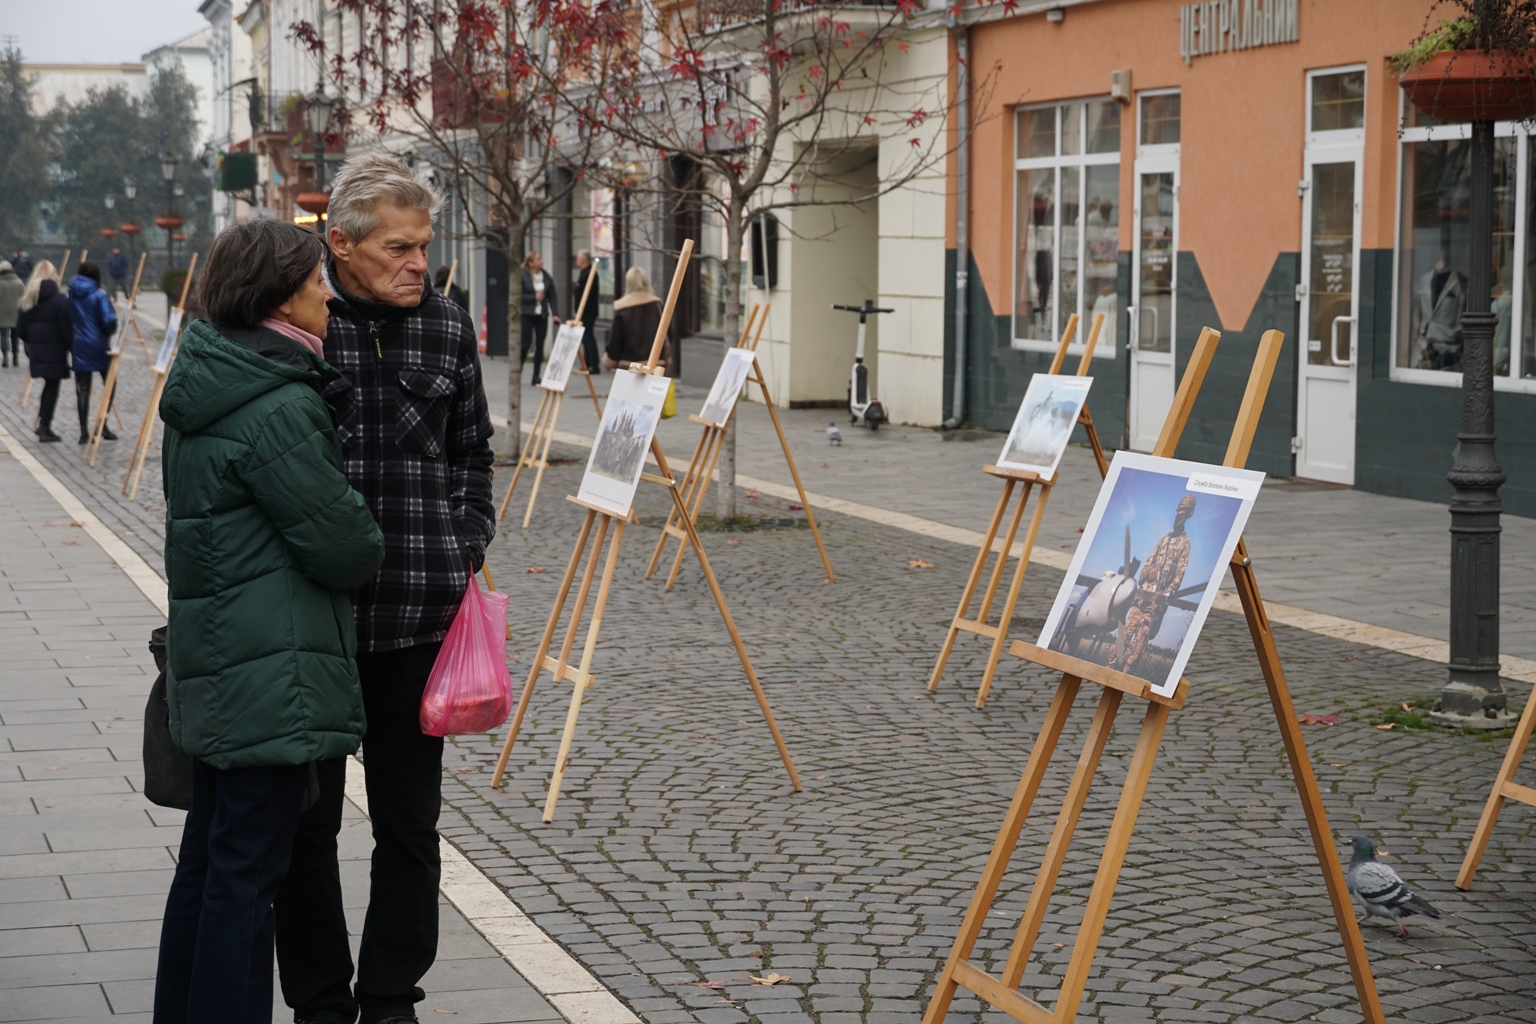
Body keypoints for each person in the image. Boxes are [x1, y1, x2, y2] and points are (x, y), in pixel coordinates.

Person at [274, 152, 496, 1024]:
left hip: (417, 625)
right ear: (340, 245)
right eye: (400, 248)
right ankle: (321, 1002)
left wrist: (464, 538)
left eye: (424, 246)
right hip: (313, 628)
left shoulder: (446, 326)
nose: (419, 263)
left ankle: (393, 997)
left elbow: (475, 452)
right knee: (306, 831)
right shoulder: (295, 324)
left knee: (409, 830)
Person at [152, 219, 385, 1024]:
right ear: (279, 290)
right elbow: (346, 545)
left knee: (210, 868)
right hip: (270, 674)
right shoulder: (280, 403)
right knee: (247, 879)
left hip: (219, 663)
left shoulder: (209, 377)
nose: (330, 291)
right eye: (318, 278)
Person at [1111, 494, 1194, 675]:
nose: (1179, 514)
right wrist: (1147, 573)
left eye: (1183, 511)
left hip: (1156, 606)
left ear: (1188, 514)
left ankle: (1125, 676)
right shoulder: (1163, 540)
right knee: (1121, 641)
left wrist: (1165, 596)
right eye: (1178, 510)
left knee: (1138, 648)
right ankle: (1109, 671)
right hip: (1141, 600)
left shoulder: (1185, 544)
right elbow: (1147, 565)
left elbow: (1180, 573)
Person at [14, 261, 71, 442]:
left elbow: (21, 330)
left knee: (49, 385)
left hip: (37, 349)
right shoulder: (60, 300)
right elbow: (67, 329)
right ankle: (45, 425)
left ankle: (43, 423)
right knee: (52, 386)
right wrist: (72, 349)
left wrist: (33, 341)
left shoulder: (28, 298)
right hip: (55, 350)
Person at [68, 260, 118, 444]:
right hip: (98, 345)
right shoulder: (100, 295)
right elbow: (108, 321)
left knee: (82, 388)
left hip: (79, 343)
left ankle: (83, 432)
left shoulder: (72, 293)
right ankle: (102, 424)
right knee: (110, 384)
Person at [605, 265, 680, 378]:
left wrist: (609, 360)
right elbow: (668, 334)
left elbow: (616, 340)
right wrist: (665, 358)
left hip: (629, 365)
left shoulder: (621, 307)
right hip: (655, 364)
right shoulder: (657, 304)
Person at [519, 251, 559, 385]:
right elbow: (517, 295)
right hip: (527, 314)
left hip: (541, 314)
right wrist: (533, 298)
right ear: (531, 263)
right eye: (538, 259)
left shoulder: (546, 276)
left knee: (540, 345)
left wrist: (555, 314)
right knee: (525, 344)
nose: (541, 261)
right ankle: (518, 369)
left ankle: (536, 375)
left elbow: (552, 296)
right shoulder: (523, 275)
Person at [572, 250, 601, 375]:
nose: (576, 261)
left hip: (588, 311)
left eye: (578, 258)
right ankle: (587, 362)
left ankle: (594, 363)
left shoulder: (590, 273)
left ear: (583, 260)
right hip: (582, 311)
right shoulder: (584, 273)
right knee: (584, 337)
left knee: (588, 336)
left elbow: (588, 294)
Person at [0, 260, 23, 368]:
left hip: (2, 314)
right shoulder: (19, 283)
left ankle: (5, 357)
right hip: (16, 313)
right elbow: (24, 298)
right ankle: (16, 358)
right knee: (15, 337)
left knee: (4, 336)